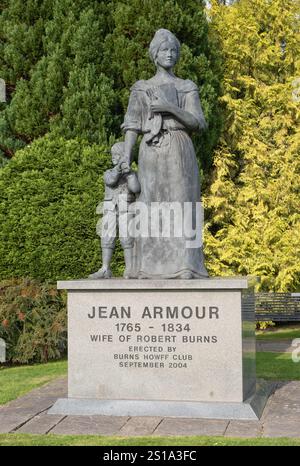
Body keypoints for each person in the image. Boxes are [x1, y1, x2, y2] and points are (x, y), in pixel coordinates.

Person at [121, 29, 209, 279]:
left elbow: (197, 122)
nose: (169, 54)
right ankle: (149, 268)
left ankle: (186, 266)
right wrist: (127, 157)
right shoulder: (141, 88)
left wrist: (169, 108)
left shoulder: (186, 87)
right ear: (155, 54)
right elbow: (132, 124)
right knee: (150, 205)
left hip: (180, 148)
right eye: (164, 50)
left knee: (182, 204)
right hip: (151, 151)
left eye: (173, 50)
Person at [89, 142, 140, 279]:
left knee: (127, 237)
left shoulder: (133, 174)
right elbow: (111, 181)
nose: (113, 157)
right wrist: (119, 168)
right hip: (110, 207)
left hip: (126, 207)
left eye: (117, 155)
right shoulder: (109, 173)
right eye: (113, 155)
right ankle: (105, 268)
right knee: (107, 237)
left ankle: (129, 269)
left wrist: (129, 174)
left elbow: (135, 189)